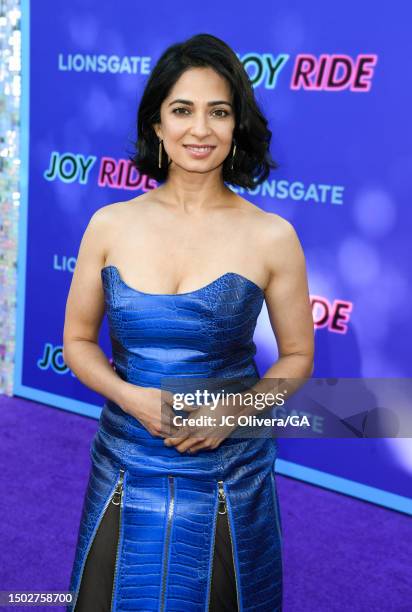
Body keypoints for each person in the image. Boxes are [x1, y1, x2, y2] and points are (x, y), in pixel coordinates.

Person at [63, 33, 314, 612]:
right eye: (182, 110)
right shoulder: (109, 224)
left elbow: (299, 356)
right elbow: (77, 342)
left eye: (218, 112)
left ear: (236, 125)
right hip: (125, 462)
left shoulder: (272, 236)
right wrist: (132, 398)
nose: (200, 129)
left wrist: (235, 411)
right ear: (156, 124)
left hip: (229, 475)